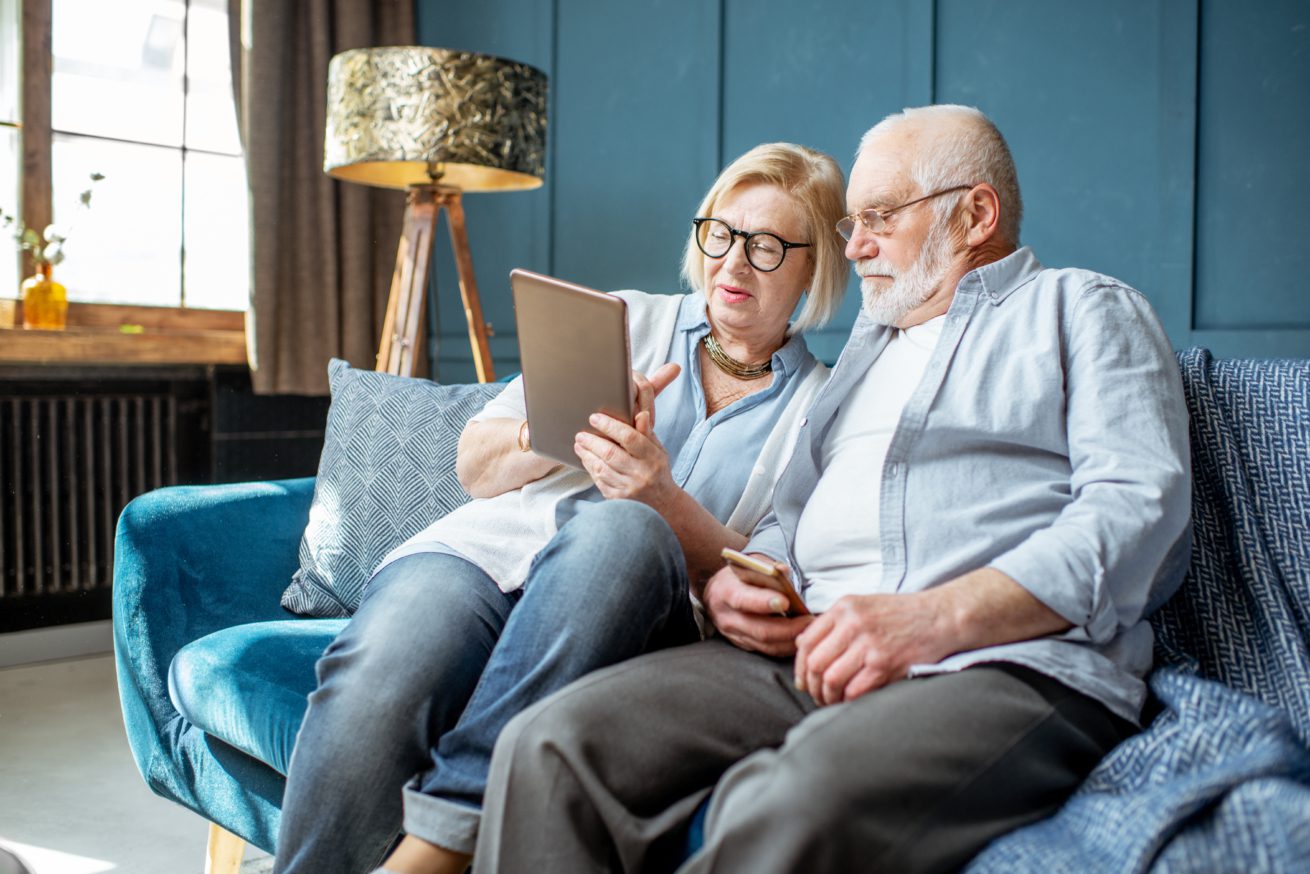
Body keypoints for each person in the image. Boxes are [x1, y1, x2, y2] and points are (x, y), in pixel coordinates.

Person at [474, 104, 1193, 874]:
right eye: (850, 224)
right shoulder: (866, 353)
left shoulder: (1081, 309)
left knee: (789, 803)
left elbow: (1138, 515)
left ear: (975, 214)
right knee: (546, 745)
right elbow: (793, 514)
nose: (854, 248)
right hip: (809, 654)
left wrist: (927, 619)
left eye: (878, 217)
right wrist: (744, 588)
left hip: (1004, 667)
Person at [271, 141, 849, 874]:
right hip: (486, 558)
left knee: (625, 529)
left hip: (630, 608)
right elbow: (475, 466)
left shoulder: (819, 409)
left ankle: (440, 843)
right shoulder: (622, 319)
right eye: (722, 234)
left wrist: (660, 499)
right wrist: (564, 428)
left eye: (767, 248)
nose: (733, 263)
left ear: (813, 268)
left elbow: (764, 572)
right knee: (385, 670)